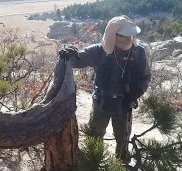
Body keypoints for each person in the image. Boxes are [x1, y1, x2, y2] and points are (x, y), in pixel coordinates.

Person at [59, 15, 151, 162]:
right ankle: (94, 163)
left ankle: (121, 165)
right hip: (101, 103)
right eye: (124, 35)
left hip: (124, 104)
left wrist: (136, 93)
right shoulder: (99, 51)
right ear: (112, 35)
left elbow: (145, 77)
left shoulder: (138, 52)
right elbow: (78, 59)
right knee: (95, 136)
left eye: (131, 34)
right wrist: (68, 53)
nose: (129, 38)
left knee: (123, 139)